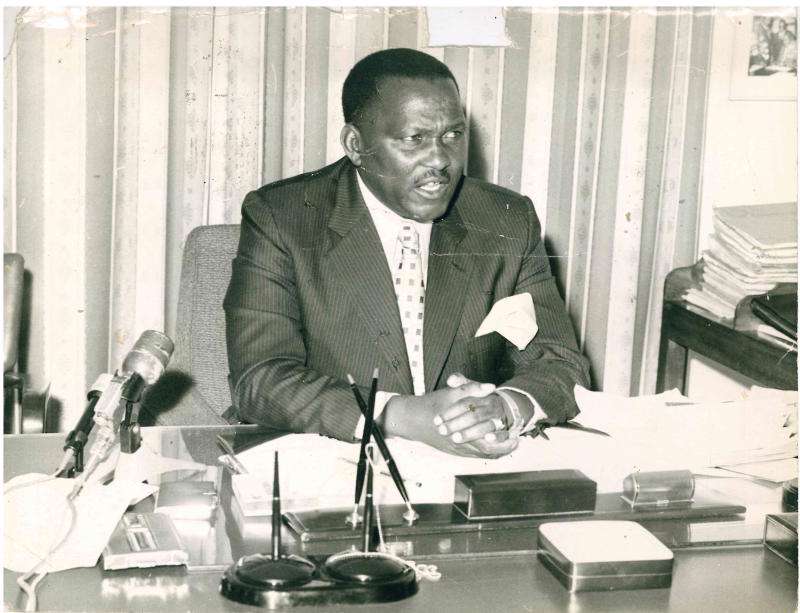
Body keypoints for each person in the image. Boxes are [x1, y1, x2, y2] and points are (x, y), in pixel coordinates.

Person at [224, 48, 590, 459]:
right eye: (414, 139)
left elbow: (560, 362)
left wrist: (505, 406)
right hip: (327, 458)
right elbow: (260, 379)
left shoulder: (507, 219)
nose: (440, 160)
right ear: (356, 145)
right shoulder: (283, 217)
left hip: (466, 464)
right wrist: (397, 416)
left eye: (453, 135)